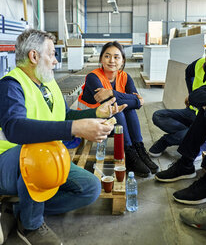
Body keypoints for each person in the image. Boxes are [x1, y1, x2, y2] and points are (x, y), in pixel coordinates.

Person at [0, 29, 127, 245]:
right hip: (9, 164)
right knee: (37, 155)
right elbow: (15, 128)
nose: (56, 61)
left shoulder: (47, 83)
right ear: (34, 56)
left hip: (49, 157)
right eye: (52, 54)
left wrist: (96, 113)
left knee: (90, 188)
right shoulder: (11, 85)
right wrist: (75, 128)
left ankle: (19, 209)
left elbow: (65, 115)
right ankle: (30, 225)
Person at [77, 41, 158, 177]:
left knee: (127, 110)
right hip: (91, 119)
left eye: (116, 57)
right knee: (118, 111)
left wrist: (112, 93)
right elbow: (121, 102)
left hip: (110, 119)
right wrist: (131, 100)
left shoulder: (125, 77)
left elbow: (137, 102)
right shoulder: (93, 77)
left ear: (122, 60)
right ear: (101, 58)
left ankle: (139, 149)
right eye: (107, 56)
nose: (112, 61)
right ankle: (129, 152)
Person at [149, 33, 206, 158]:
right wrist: (191, 95)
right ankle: (190, 136)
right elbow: (188, 73)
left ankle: (166, 140)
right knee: (158, 116)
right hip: (191, 112)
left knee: (191, 134)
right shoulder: (199, 63)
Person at [155, 74, 206, 205]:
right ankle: (185, 164)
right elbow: (195, 94)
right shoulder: (199, 66)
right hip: (196, 113)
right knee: (205, 110)